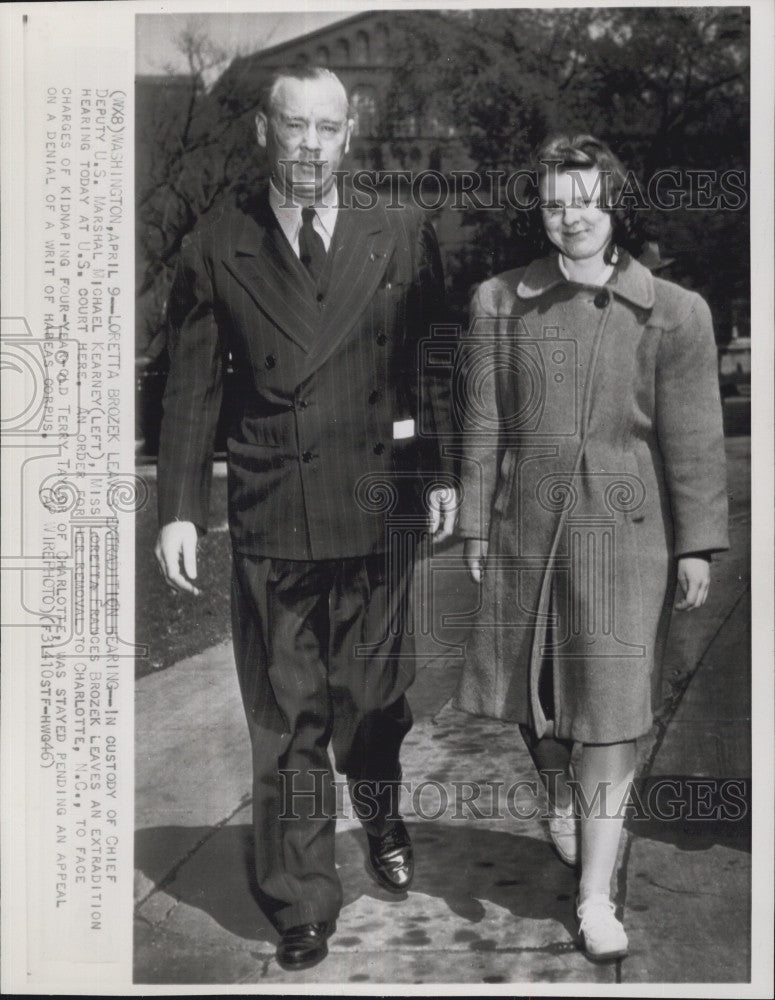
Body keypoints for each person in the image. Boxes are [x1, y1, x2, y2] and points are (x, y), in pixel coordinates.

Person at [154, 65, 456, 972]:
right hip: (271, 511)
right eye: (296, 127)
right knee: (287, 717)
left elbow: (428, 362)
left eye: (329, 128)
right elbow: (192, 387)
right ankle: (299, 898)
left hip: (375, 504)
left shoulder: (400, 233)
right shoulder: (216, 244)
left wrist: (438, 469)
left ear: (350, 135)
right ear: (265, 132)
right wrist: (177, 508)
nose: (312, 146)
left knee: (369, 699)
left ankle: (381, 802)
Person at [455, 133, 728, 962]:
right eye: (554, 199)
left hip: (625, 538)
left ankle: (595, 895)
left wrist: (696, 546)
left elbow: (692, 440)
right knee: (532, 703)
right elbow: (482, 422)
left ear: (614, 204)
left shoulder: (675, 312)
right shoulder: (497, 302)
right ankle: (557, 793)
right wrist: (474, 519)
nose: (570, 214)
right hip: (527, 533)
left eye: (586, 198)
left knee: (607, 717)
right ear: (537, 209)